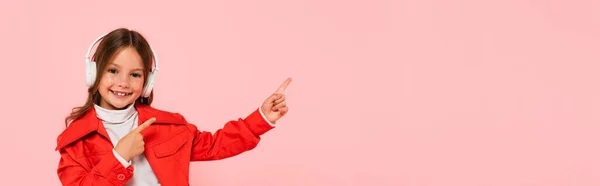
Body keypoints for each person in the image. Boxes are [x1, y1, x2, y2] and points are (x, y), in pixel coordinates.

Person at [55, 28, 291, 186]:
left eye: (135, 74)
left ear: (147, 82)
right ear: (93, 72)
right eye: (113, 70)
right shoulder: (75, 141)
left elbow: (215, 145)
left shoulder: (167, 126)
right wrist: (120, 156)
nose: (123, 83)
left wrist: (262, 118)